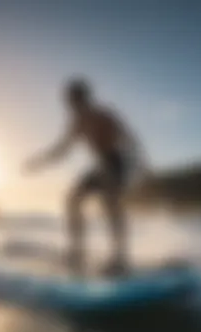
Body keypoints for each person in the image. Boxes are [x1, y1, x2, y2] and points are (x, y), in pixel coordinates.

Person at [25, 77, 146, 276]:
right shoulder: (77, 123)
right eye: (69, 102)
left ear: (82, 99)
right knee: (72, 200)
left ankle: (120, 259)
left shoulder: (103, 115)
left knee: (110, 204)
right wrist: (39, 162)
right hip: (100, 167)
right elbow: (61, 150)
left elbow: (128, 137)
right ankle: (77, 252)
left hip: (117, 162)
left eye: (72, 100)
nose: (70, 106)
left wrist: (138, 164)